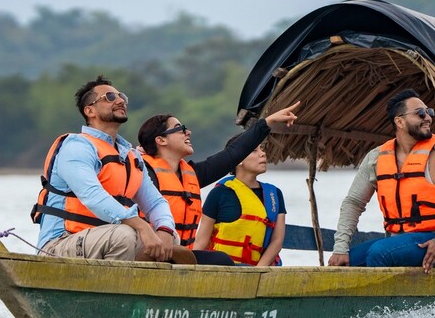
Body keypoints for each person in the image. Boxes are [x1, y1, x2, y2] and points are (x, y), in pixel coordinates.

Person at [32, 76, 177, 262]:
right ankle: (111, 288)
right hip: (59, 244)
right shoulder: (77, 146)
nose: (120, 101)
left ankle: (135, 288)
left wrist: (165, 230)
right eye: (109, 97)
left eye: (121, 96)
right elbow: (92, 195)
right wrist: (141, 226)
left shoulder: (131, 156)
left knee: (169, 239)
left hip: (108, 238)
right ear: (90, 110)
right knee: (124, 235)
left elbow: (155, 202)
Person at [326, 89, 435, 273]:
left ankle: (382, 303)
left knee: (379, 253)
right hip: (396, 241)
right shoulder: (376, 158)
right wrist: (340, 247)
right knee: (343, 263)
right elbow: (353, 203)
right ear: (399, 121)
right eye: (420, 113)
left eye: (429, 112)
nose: (427, 117)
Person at [136, 101, 300, 258]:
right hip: (149, 252)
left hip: (180, 255)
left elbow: (233, 153)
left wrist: (268, 122)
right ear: (161, 140)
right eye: (180, 129)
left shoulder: (194, 174)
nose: (188, 132)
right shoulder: (140, 172)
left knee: (220, 260)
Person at [193, 141, 287, 266]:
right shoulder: (219, 193)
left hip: (256, 271)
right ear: (239, 159)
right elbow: (201, 241)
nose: (263, 154)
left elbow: (277, 241)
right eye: (254, 150)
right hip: (219, 270)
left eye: (262, 149)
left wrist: (257, 272)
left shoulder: (274, 195)